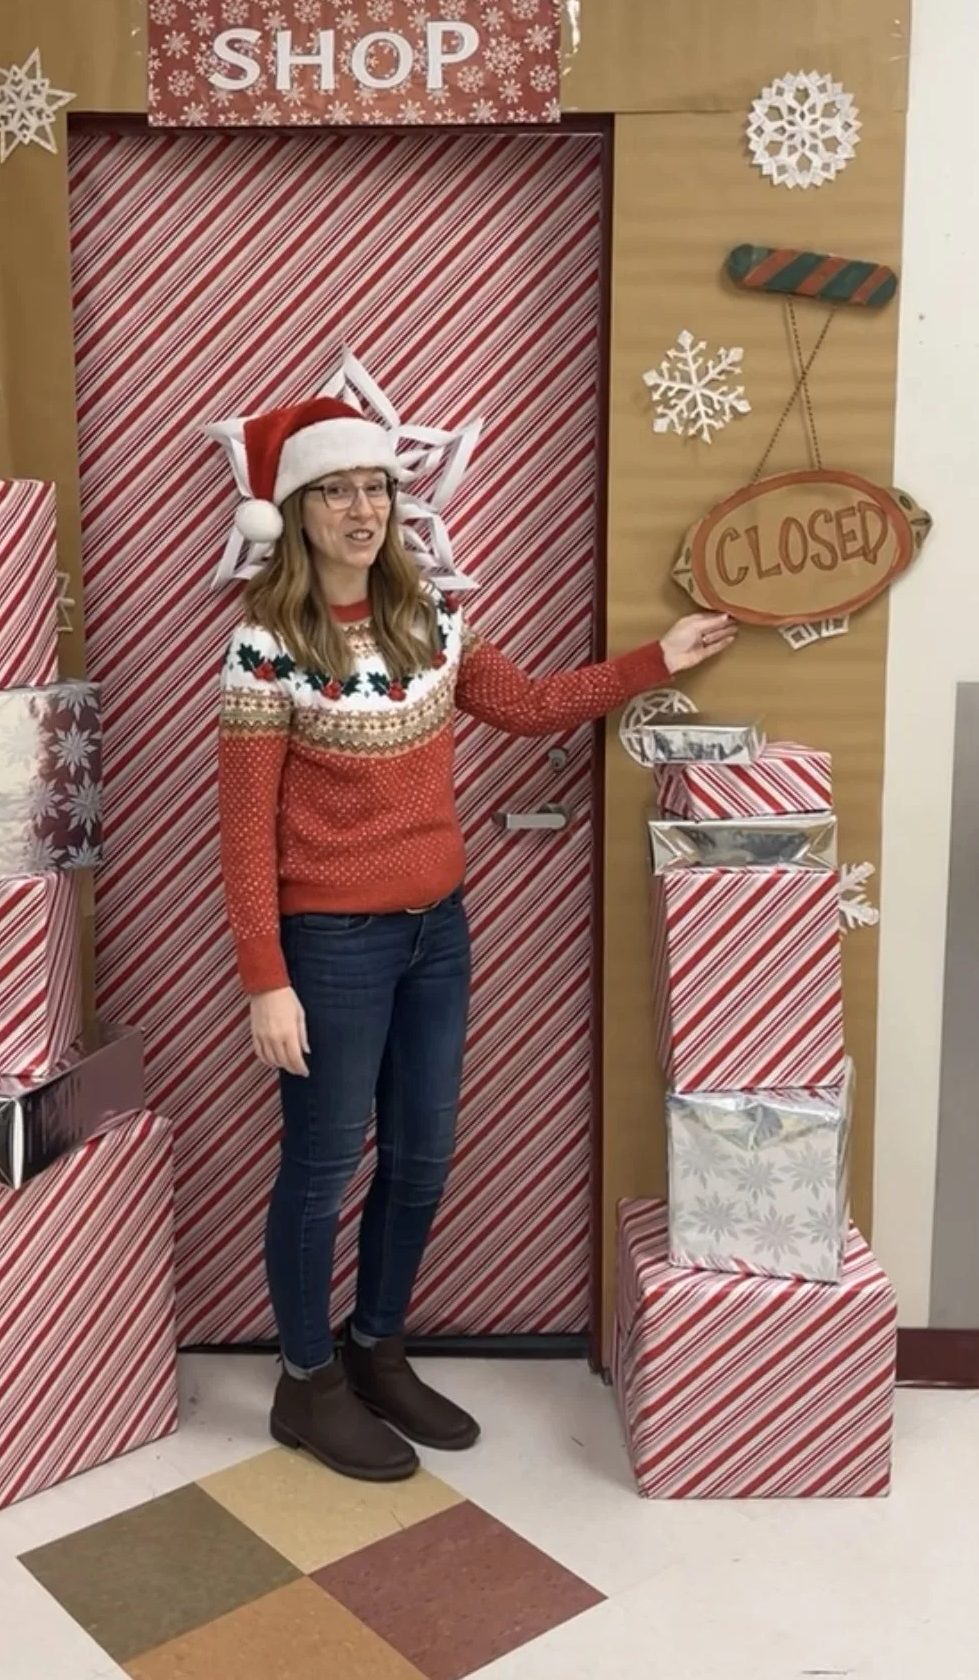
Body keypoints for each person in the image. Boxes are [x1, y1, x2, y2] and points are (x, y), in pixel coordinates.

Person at [217, 397, 735, 1483]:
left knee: (421, 1158)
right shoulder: (266, 648)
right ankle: (304, 1382)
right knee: (320, 1169)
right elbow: (243, 831)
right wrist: (266, 977)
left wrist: (659, 657)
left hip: (437, 936)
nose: (363, 508)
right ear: (299, 512)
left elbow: (540, 704)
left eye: (377, 488)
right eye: (337, 490)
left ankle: (376, 1347)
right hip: (330, 948)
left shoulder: (432, 627)